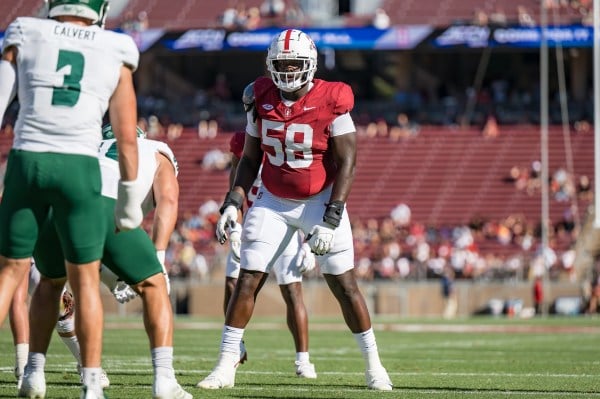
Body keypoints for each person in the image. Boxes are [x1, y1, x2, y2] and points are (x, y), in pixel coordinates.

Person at [197, 29, 392, 391]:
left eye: (294, 64)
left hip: (320, 198)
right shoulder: (259, 96)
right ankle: (225, 366)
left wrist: (331, 218)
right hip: (273, 199)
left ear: (310, 65)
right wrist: (233, 202)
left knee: (344, 284)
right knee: (248, 278)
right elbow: (250, 157)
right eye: (281, 65)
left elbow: (348, 161)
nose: (287, 72)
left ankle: (374, 366)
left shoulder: (333, 98)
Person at [0, 1, 144, 397]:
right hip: (79, 167)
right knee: (83, 282)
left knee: (11, 273)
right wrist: (130, 195)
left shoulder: (26, 31)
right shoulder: (114, 46)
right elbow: (126, 134)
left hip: (27, 159)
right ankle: (92, 384)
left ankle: (32, 372)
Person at [18, 124, 192, 399]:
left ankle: (33, 374)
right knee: (154, 286)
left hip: (56, 211)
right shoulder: (155, 150)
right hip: (106, 213)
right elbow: (168, 199)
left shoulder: (87, 147)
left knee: (49, 286)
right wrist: (157, 255)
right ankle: (164, 380)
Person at [225, 125, 317, 378]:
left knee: (292, 291)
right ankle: (234, 348)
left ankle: (303, 360)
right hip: (254, 225)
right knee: (233, 283)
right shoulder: (243, 140)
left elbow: (306, 195)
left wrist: (307, 243)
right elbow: (235, 186)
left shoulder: (291, 140)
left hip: (285, 224)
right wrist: (235, 227)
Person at [10, 259, 135, 389]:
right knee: (16, 297)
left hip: (39, 257)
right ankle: (26, 368)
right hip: (19, 254)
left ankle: (85, 364)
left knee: (63, 305)